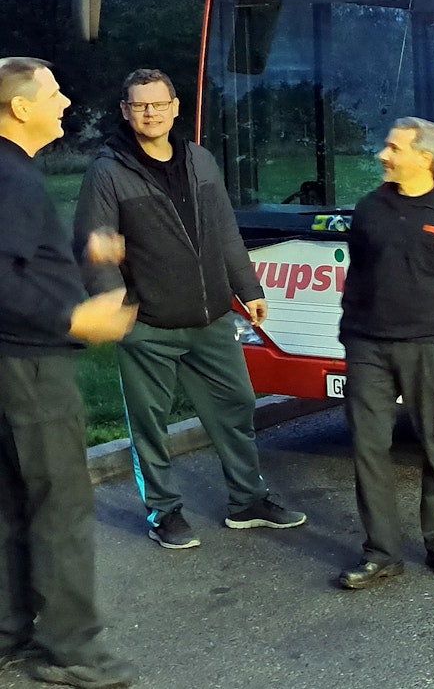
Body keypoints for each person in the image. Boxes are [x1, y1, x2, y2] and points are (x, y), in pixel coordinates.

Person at [73, 69, 305, 551]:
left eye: (158, 104)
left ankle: (247, 502)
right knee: (150, 427)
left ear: (175, 107)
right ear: (125, 111)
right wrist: (113, 307)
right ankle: (164, 512)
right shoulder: (108, 171)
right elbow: (96, 246)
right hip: (148, 325)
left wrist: (248, 288)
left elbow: (224, 231)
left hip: (212, 319)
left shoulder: (199, 159)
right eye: (140, 105)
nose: (150, 113)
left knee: (237, 407)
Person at [0, 57, 139, 689]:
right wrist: (72, 317)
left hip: (13, 361)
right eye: (53, 92)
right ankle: (72, 649)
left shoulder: (12, 172)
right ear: (20, 107)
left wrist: (83, 257)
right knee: (59, 504)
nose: (64, 101)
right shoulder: (12, 178)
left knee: (11, 502)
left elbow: (21, 260)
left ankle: (9, 632)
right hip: (29, 366)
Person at [336, 117, 434, 589]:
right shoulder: (370, 209)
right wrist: (351, 335)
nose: (382, 155)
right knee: (369, 449)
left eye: (393, 148)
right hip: (369, 347)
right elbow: (358, 275)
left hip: (431, 349)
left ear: (424, 158)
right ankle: (381, 552)